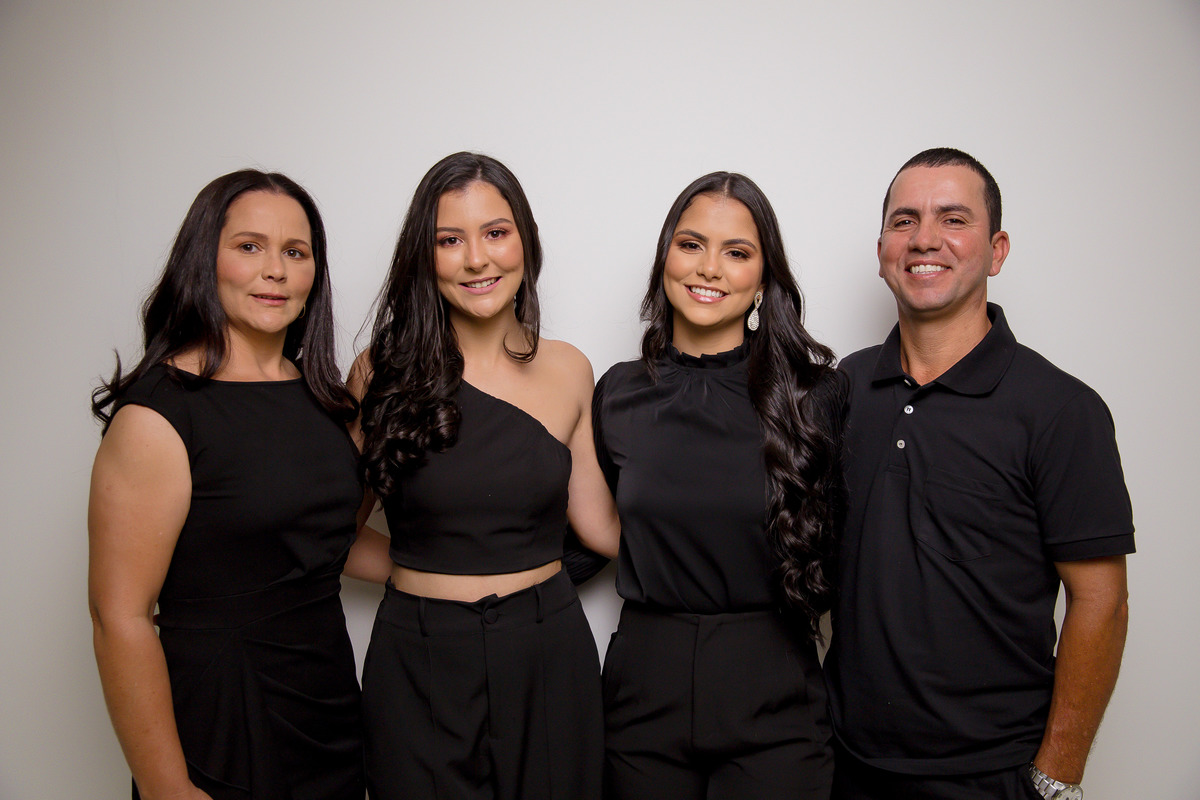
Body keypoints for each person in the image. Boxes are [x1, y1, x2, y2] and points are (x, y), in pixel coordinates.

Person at [824, 148, 1134, 800]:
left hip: (990, 777)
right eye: (904, 220)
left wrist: (1056, 773)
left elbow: (1100, 602)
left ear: (996, 251)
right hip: (842, 764)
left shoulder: (1060, 409)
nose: (924, 238)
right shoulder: (842, 388)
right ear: (881, 251)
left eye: (953, 218)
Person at [88, 169, 390, 800]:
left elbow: (321, 544)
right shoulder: (159, 415)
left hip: (328, 704)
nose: (275, 270)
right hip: (222, 716)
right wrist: (168, 788)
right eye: (250, 246)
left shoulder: (322, 398)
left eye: (295, 252)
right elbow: (120, 617)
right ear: (204, 259)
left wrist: (462, 563)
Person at [353, 152, 619, 800]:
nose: (477, 259)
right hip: (417, 656)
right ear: (424, 256)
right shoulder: (379, 371)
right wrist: (427, 573)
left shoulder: (570, 368)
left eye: (496, 232)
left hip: (548, 651)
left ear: (525, 240)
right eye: (450, 240)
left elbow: (600, 528)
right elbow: (331, 532)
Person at [592, 172, 842, 800]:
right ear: (665, 258)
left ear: (763, 279)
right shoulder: (617, 392)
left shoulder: (813, 396)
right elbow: (595, 525)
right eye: (691, 245)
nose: (709, 268)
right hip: (644, 683)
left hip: (773, 682)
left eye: (737, 252)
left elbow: (852, 544)